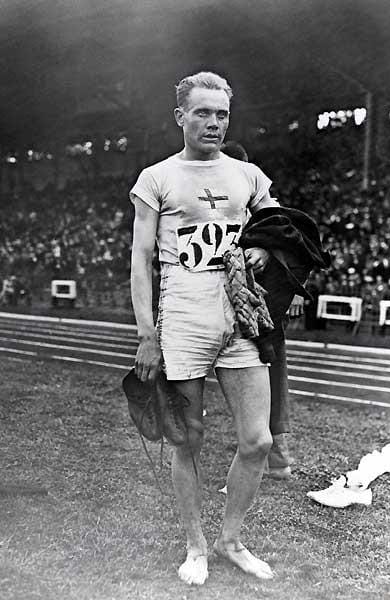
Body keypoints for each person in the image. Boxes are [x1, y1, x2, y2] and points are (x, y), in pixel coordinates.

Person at [129, 72, 279, 586]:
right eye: (202, 113)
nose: (214, 123)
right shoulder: (156, 178)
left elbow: (282, 230)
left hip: (240, 316)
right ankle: (195, 545)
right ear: (181, 117)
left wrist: (265, 250)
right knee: (186, 439)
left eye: (221, 114)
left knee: (257, 440)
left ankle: (230, 540)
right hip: (184, 316)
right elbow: (141, 259)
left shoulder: (248, 175)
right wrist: (146, 335)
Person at [221, 140, 303, 479]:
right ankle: (266, 451)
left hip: (262, 303)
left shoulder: (261, 201)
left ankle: (277, 456)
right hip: (222, 298)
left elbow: (296, 241)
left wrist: (294, 289)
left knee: (268, 371)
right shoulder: (213, 200)